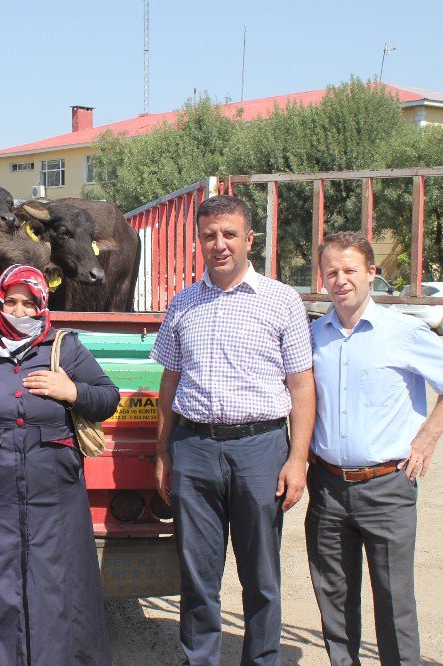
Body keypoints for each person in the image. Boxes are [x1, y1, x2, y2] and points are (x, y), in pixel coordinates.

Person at [152, 194, 316, 665]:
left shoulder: (282, 300)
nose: (218, 244)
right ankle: (200, 659)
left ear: (249, 239)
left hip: (261, 449)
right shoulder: (183, 303)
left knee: (261, 575)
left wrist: (297, 459)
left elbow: (302, 386)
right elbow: (170, 381)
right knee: (197, 575)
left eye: (228, 234)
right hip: (194, 448)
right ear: (199, 240)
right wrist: (163, 453)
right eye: (209, 235)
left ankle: (261, 660)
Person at [0, 264, 120, 665]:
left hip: (54, 492)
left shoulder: (64, 348)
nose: (19, 310)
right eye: (11, 301)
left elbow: (108, 399)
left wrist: (72, 391)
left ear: (42, 305)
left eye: (29, 302)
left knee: (55, 585)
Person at [307, 231, 443, 665]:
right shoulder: (314, 335)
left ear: (371, 274)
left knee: (394, 602)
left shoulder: (403, 332)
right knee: (334, 601)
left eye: (350, 270)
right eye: (331, 272)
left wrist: (427, 437)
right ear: (322, 278)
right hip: (326, 488)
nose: (340, 280)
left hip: (386, 489)